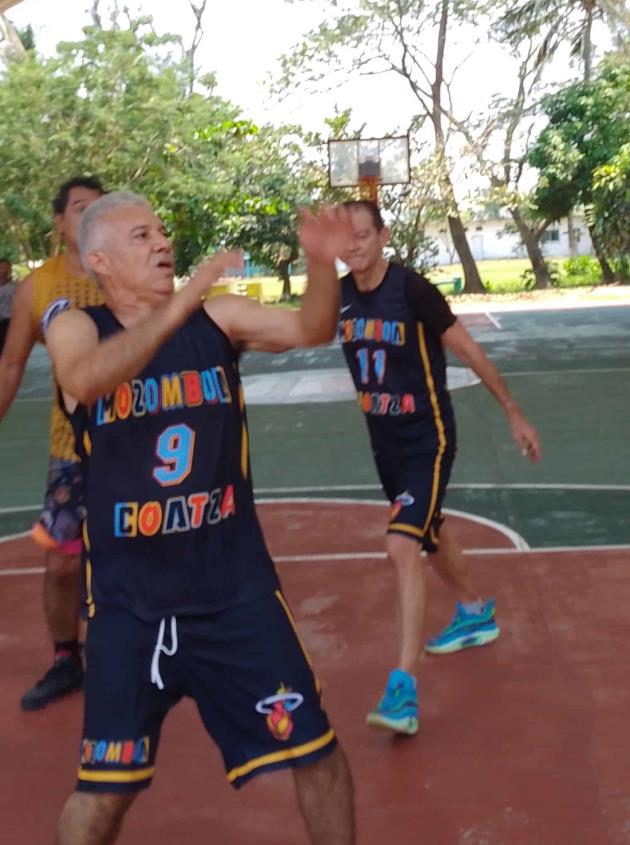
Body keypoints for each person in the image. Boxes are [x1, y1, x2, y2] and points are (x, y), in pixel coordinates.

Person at [44, 192, 356, 845]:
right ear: (99, 259)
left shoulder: (216, 319)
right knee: (102, 796)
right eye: (141, 235)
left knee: (317, 754)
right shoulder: (77, 327)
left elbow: (312, 328)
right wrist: (181, 301)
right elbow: (89, 380)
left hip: (235, 593)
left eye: (161, 231)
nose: (162, 243)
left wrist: (323, 265)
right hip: (130, 607)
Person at [337, 200, 540, 735]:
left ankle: (403, 686)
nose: (354, 245)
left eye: (363, 234)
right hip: (385, 446)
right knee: (430, 531)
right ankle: (475, 611)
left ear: (381, 236)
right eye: (345, 237)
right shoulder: (337, 300)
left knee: (401, 543)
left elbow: (469, 350)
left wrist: (513, 411)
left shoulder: (411, 290)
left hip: (429, 438)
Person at [0, 176, 107, 710]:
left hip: (133, 443)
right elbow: (12, 363)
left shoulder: (125, 270)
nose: (89, 217)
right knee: (63, 563)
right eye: (79, 208)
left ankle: (142, 654)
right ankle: (68, 659)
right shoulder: (37, 288)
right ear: (61, 221)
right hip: (72, 448)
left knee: (131, 556)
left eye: (98, 208)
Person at [0, 257, 15, 353]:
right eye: (1, 267)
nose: (3, 270)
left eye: (6, 267)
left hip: (8, 321)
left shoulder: (15, 286)